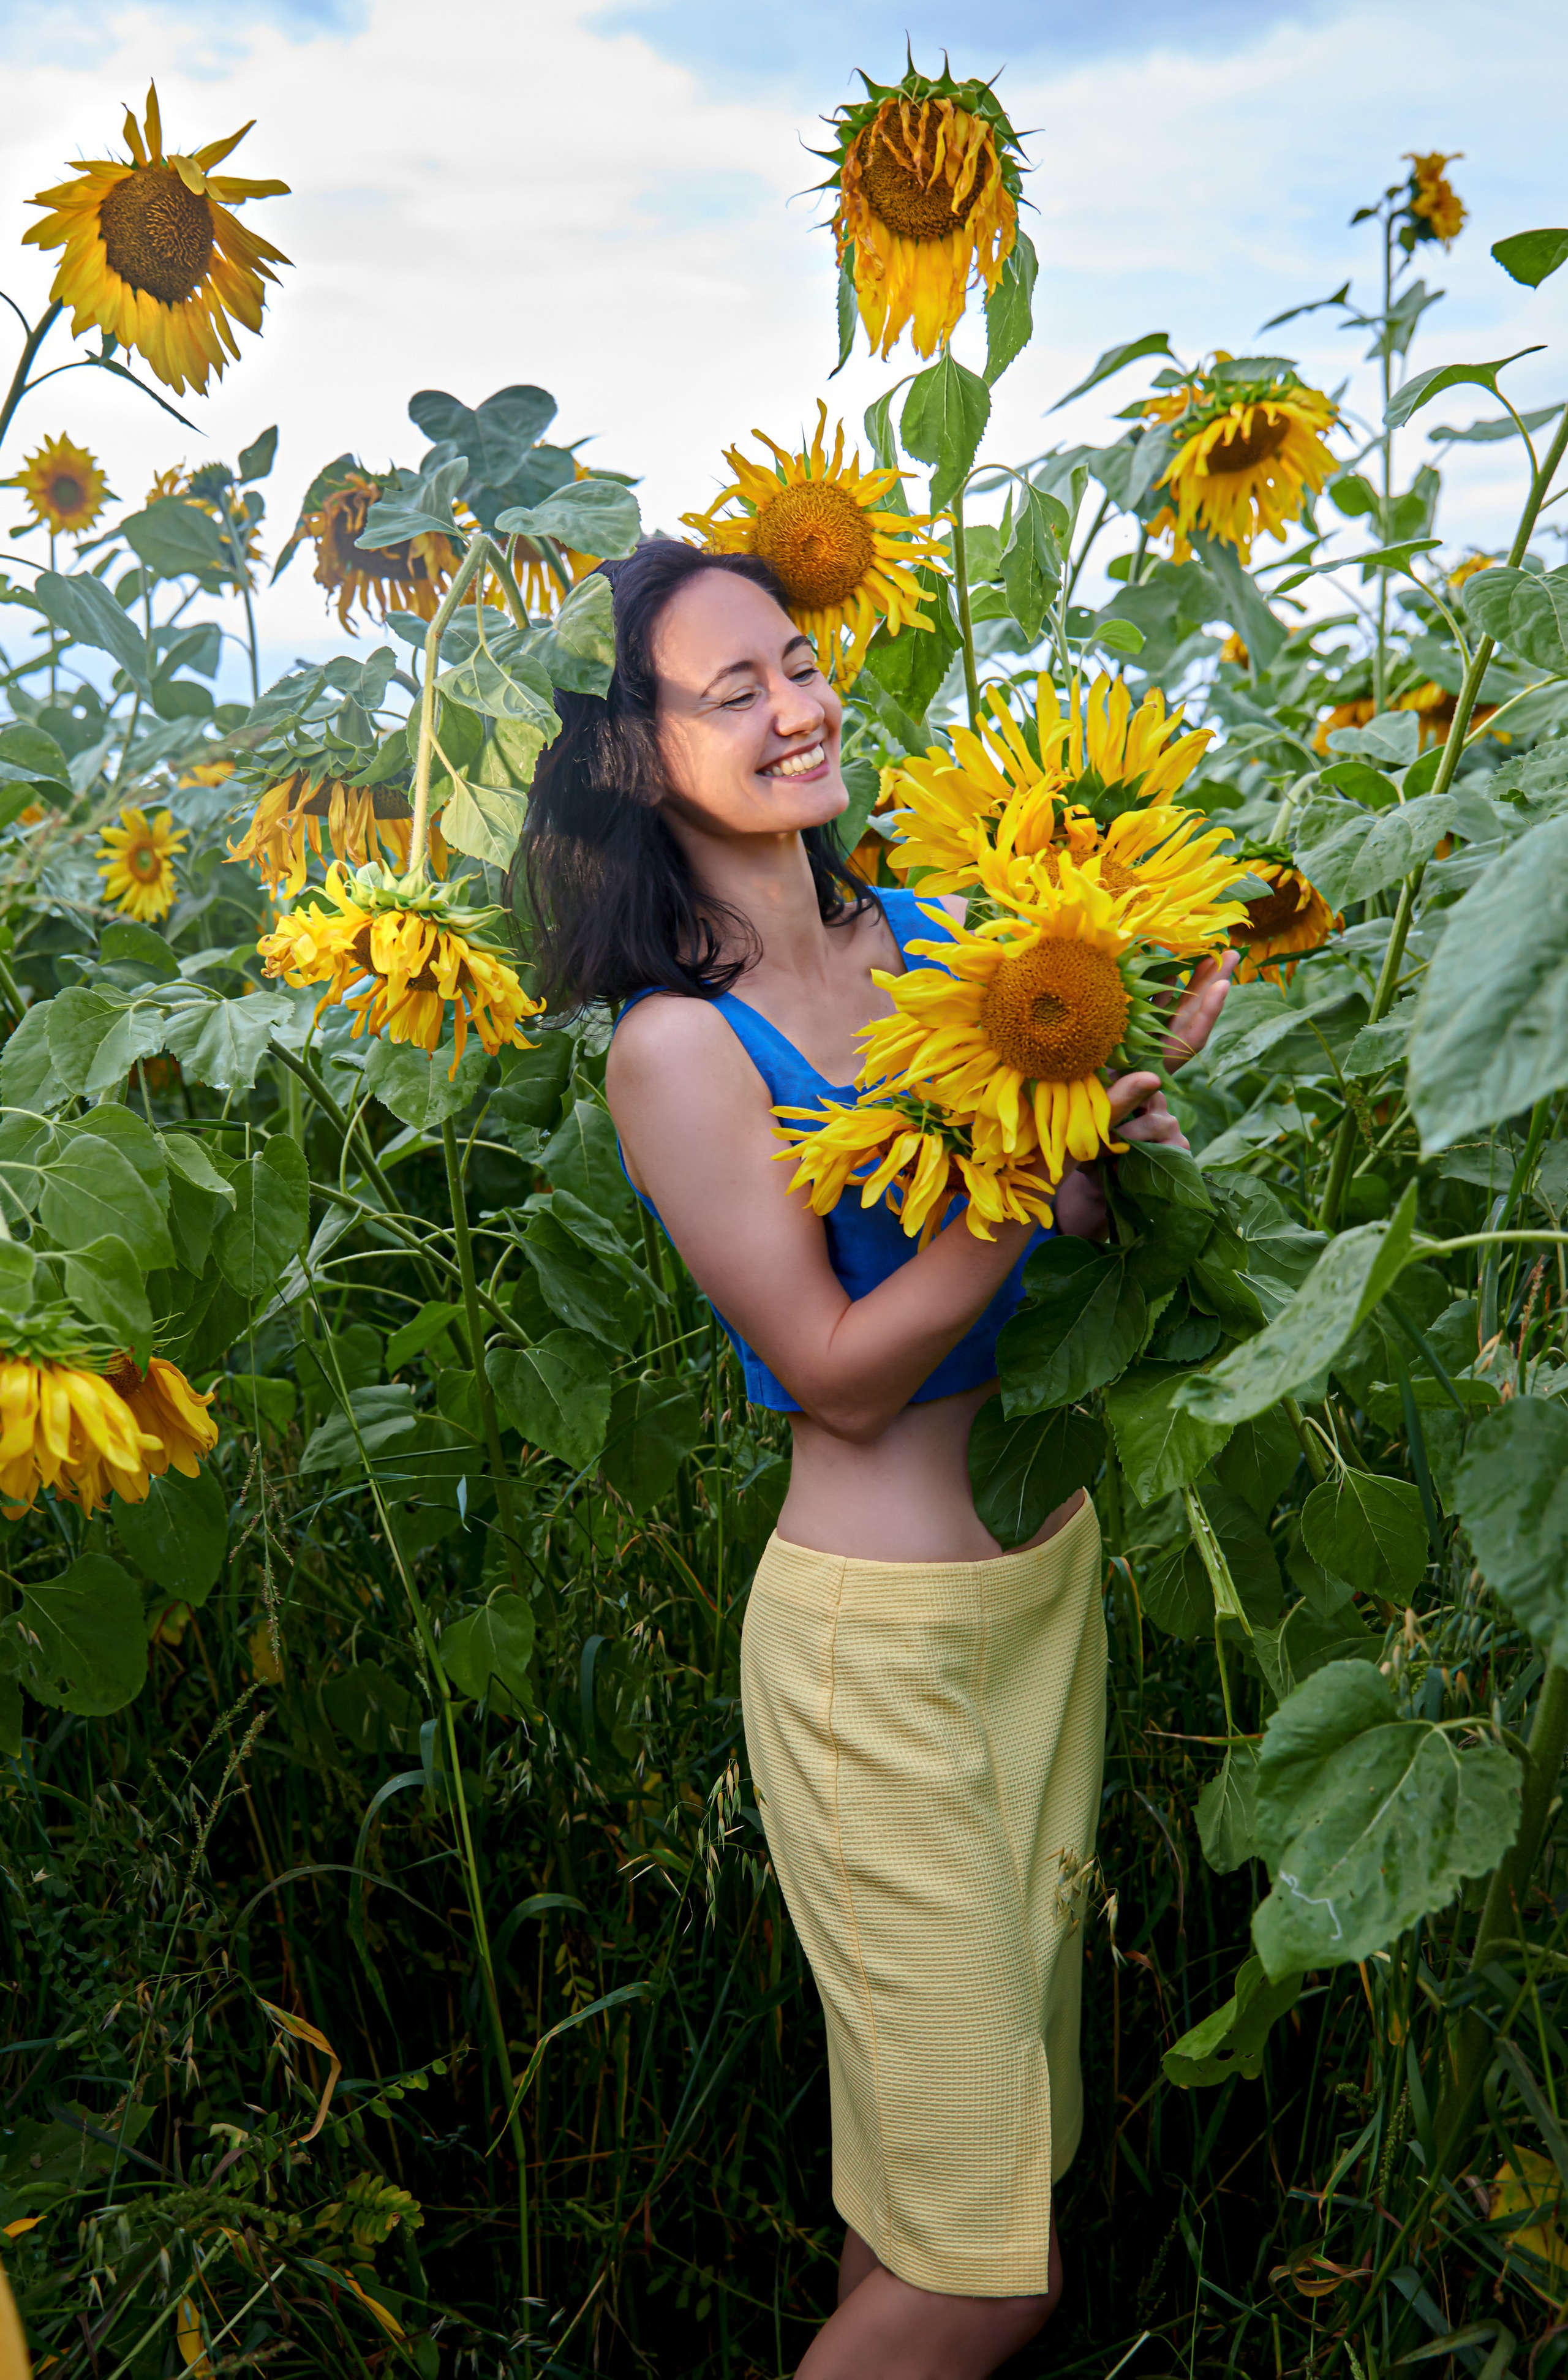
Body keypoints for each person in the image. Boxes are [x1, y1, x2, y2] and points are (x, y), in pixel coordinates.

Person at [523, 540, 1234, 2379]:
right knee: (993, 2277)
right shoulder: (680, 1053)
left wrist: (1102, 1094)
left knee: (944, 2201)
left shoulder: (946, 936)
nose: (800, 705)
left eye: (806, 661)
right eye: (735, 688)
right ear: (629, 756)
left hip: (1042, 1604)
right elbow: (836, 1372)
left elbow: (1046, 1220)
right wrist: (1024, 1151)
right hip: (876, 1659)